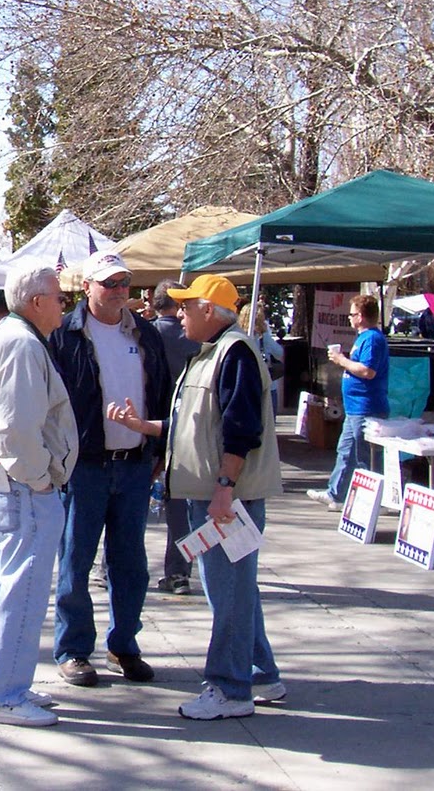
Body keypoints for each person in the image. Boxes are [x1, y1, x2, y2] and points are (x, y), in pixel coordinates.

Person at [113, 273, 284, 719]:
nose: (179, 313)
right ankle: (261, 673)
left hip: (225, 498)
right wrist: (145, 427)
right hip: (216, 495)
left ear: (209, 310)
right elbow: (196, 426)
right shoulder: (215, 353)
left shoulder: (234, 353)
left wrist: (225, 489)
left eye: (187, 307)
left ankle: (230, 689)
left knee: (228, 592)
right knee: (236, 589)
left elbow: (241, 429)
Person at [0, 266, 78, 728]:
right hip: (21, 486)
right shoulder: (22, 344)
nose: (64, 304)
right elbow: (16, 431)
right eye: (58, 297)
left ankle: (8, 684)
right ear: (36, 302)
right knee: (23, 589)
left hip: (10, 483)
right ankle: (6, 696)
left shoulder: (15, 339)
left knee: (13, 587)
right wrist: (40, 479)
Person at [48, 251, 171, 690]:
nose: (119, 291)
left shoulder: (147, 335)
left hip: (136, 466)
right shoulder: (63, 336)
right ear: (87, 287)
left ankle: (125, 645)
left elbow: (162, 393)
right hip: (85, 468)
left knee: (131, 563)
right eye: (110, 283)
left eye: (125, 283)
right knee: (76, 561)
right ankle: (74, 649)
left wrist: (160, 450)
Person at [309, 294, 389, 511]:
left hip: (366, 406)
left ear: (361, 317)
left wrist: (342, 361)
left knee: (364, 455)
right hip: (355, 406)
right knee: (346, 451)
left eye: (352, 314)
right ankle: (335, 494)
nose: (349, 318)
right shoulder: (364, 338)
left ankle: (378, 499)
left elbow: (367, 371)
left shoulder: (372, 339)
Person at [152, 280, 201, 596]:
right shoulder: (195, 337)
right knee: (180, 507)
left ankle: (108, 568)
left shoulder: (145, 334)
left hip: (144, 426)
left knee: (124, 508)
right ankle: (179, 572)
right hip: (185, 429)